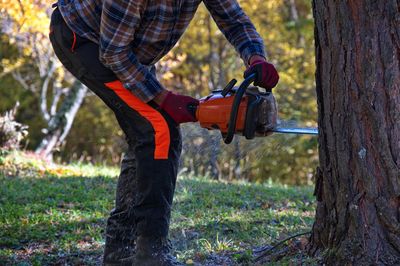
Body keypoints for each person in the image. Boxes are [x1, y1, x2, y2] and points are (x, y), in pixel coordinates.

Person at [49, 0, 279, 265]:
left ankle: (122, 249)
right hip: (86, 40)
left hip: (132, 50)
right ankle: (151, 252)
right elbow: (113, 53)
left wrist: (256, 57)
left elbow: (233, 19)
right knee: (159, 128)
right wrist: (163, 98)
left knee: (147, 133)